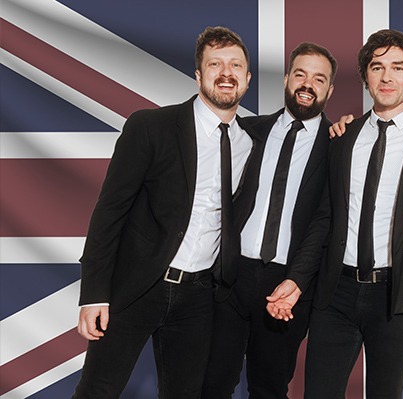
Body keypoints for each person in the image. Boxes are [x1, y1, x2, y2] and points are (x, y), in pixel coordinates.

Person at [72, 26, 257, 399]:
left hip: (199, 297)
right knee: (97, 392)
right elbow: (109, 212)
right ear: (198, 75)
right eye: (215, 64)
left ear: (247, 78)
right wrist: (93, 294)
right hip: (138, 287)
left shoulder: (250, 142)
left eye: (235, 64)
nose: (226, 72)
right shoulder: (151, 127)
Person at [302, 29, 403, 398]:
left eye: (397, 67)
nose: (387, 77)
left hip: (397, 293)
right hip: (335, 293)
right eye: (377, 67)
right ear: (366, 76)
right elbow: (325, 214)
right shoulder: (342, 136)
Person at [200, 42, 337, 399]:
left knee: (269, 388)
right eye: (301, 74)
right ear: (287, 79)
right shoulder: (248, 130)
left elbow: (325, 222)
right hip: (230, 278)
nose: (308, 84)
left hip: (288, 283)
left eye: (319, 79)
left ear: (329, 90)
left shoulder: (340, 146)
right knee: (211, 384)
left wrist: (297, 280)